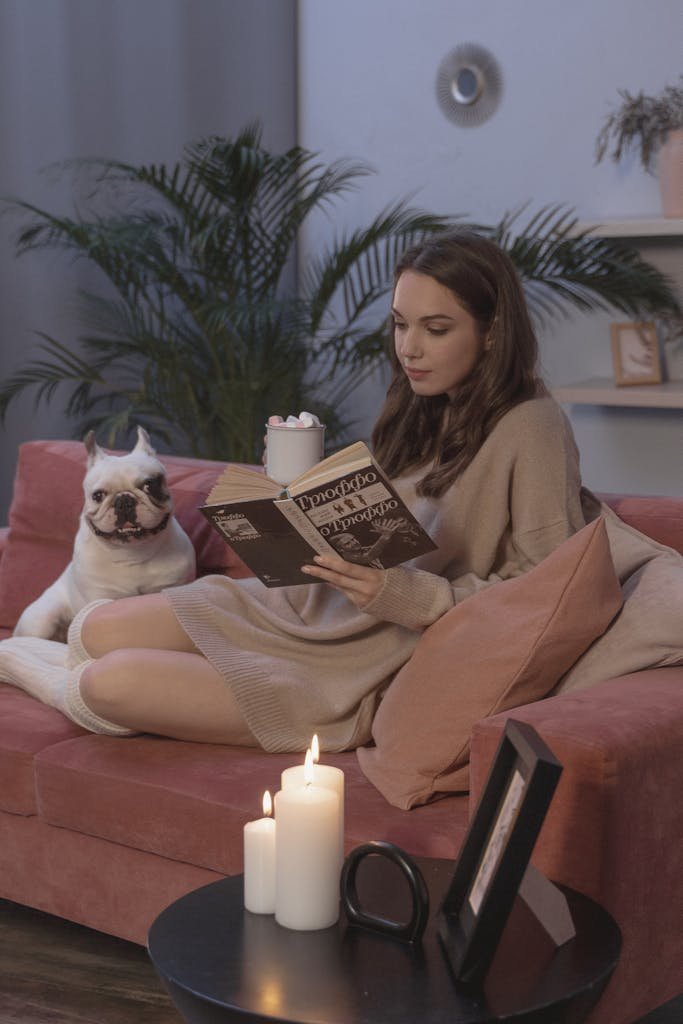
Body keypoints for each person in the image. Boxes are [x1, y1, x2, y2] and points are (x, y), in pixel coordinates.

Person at [0, 231, 613, 750]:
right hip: (310, 608)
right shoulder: (422, 405)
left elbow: (549, 598)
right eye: (400, 325)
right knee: (94, 628)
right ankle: (130, 666)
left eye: (436, 328)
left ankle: (23, 667)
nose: (409, 349)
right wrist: (292, 497)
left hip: (361, 659)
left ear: (493, 328)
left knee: (107, 684)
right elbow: (376, 529)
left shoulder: (533, 425)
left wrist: (405, 595)